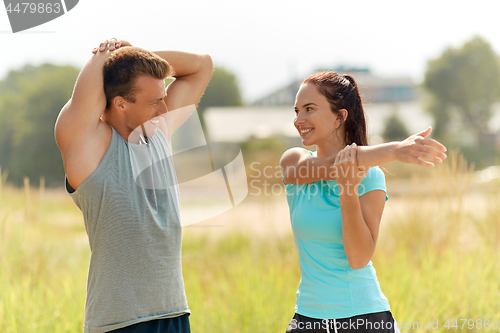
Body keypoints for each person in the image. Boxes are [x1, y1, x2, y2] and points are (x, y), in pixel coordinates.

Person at [54, 38, 213, 333]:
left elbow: (201, 65)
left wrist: (134, 57)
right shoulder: (88, 147)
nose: (165, 107)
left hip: (175, 313)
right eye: (155, 101)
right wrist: (107, 56)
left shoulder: (158, 132)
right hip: (121, 322)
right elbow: (83, 101)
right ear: (120, 103)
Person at [280, 71, 447, 333]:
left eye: (309, 109)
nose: (299, 120)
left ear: (340, 116)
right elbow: (330, 165)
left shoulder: (370, 177)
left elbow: (358, 258)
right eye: (297, 111)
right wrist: (393, 150)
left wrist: (348, 190)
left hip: (363, 318)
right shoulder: (294, 163)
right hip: (307, 319)